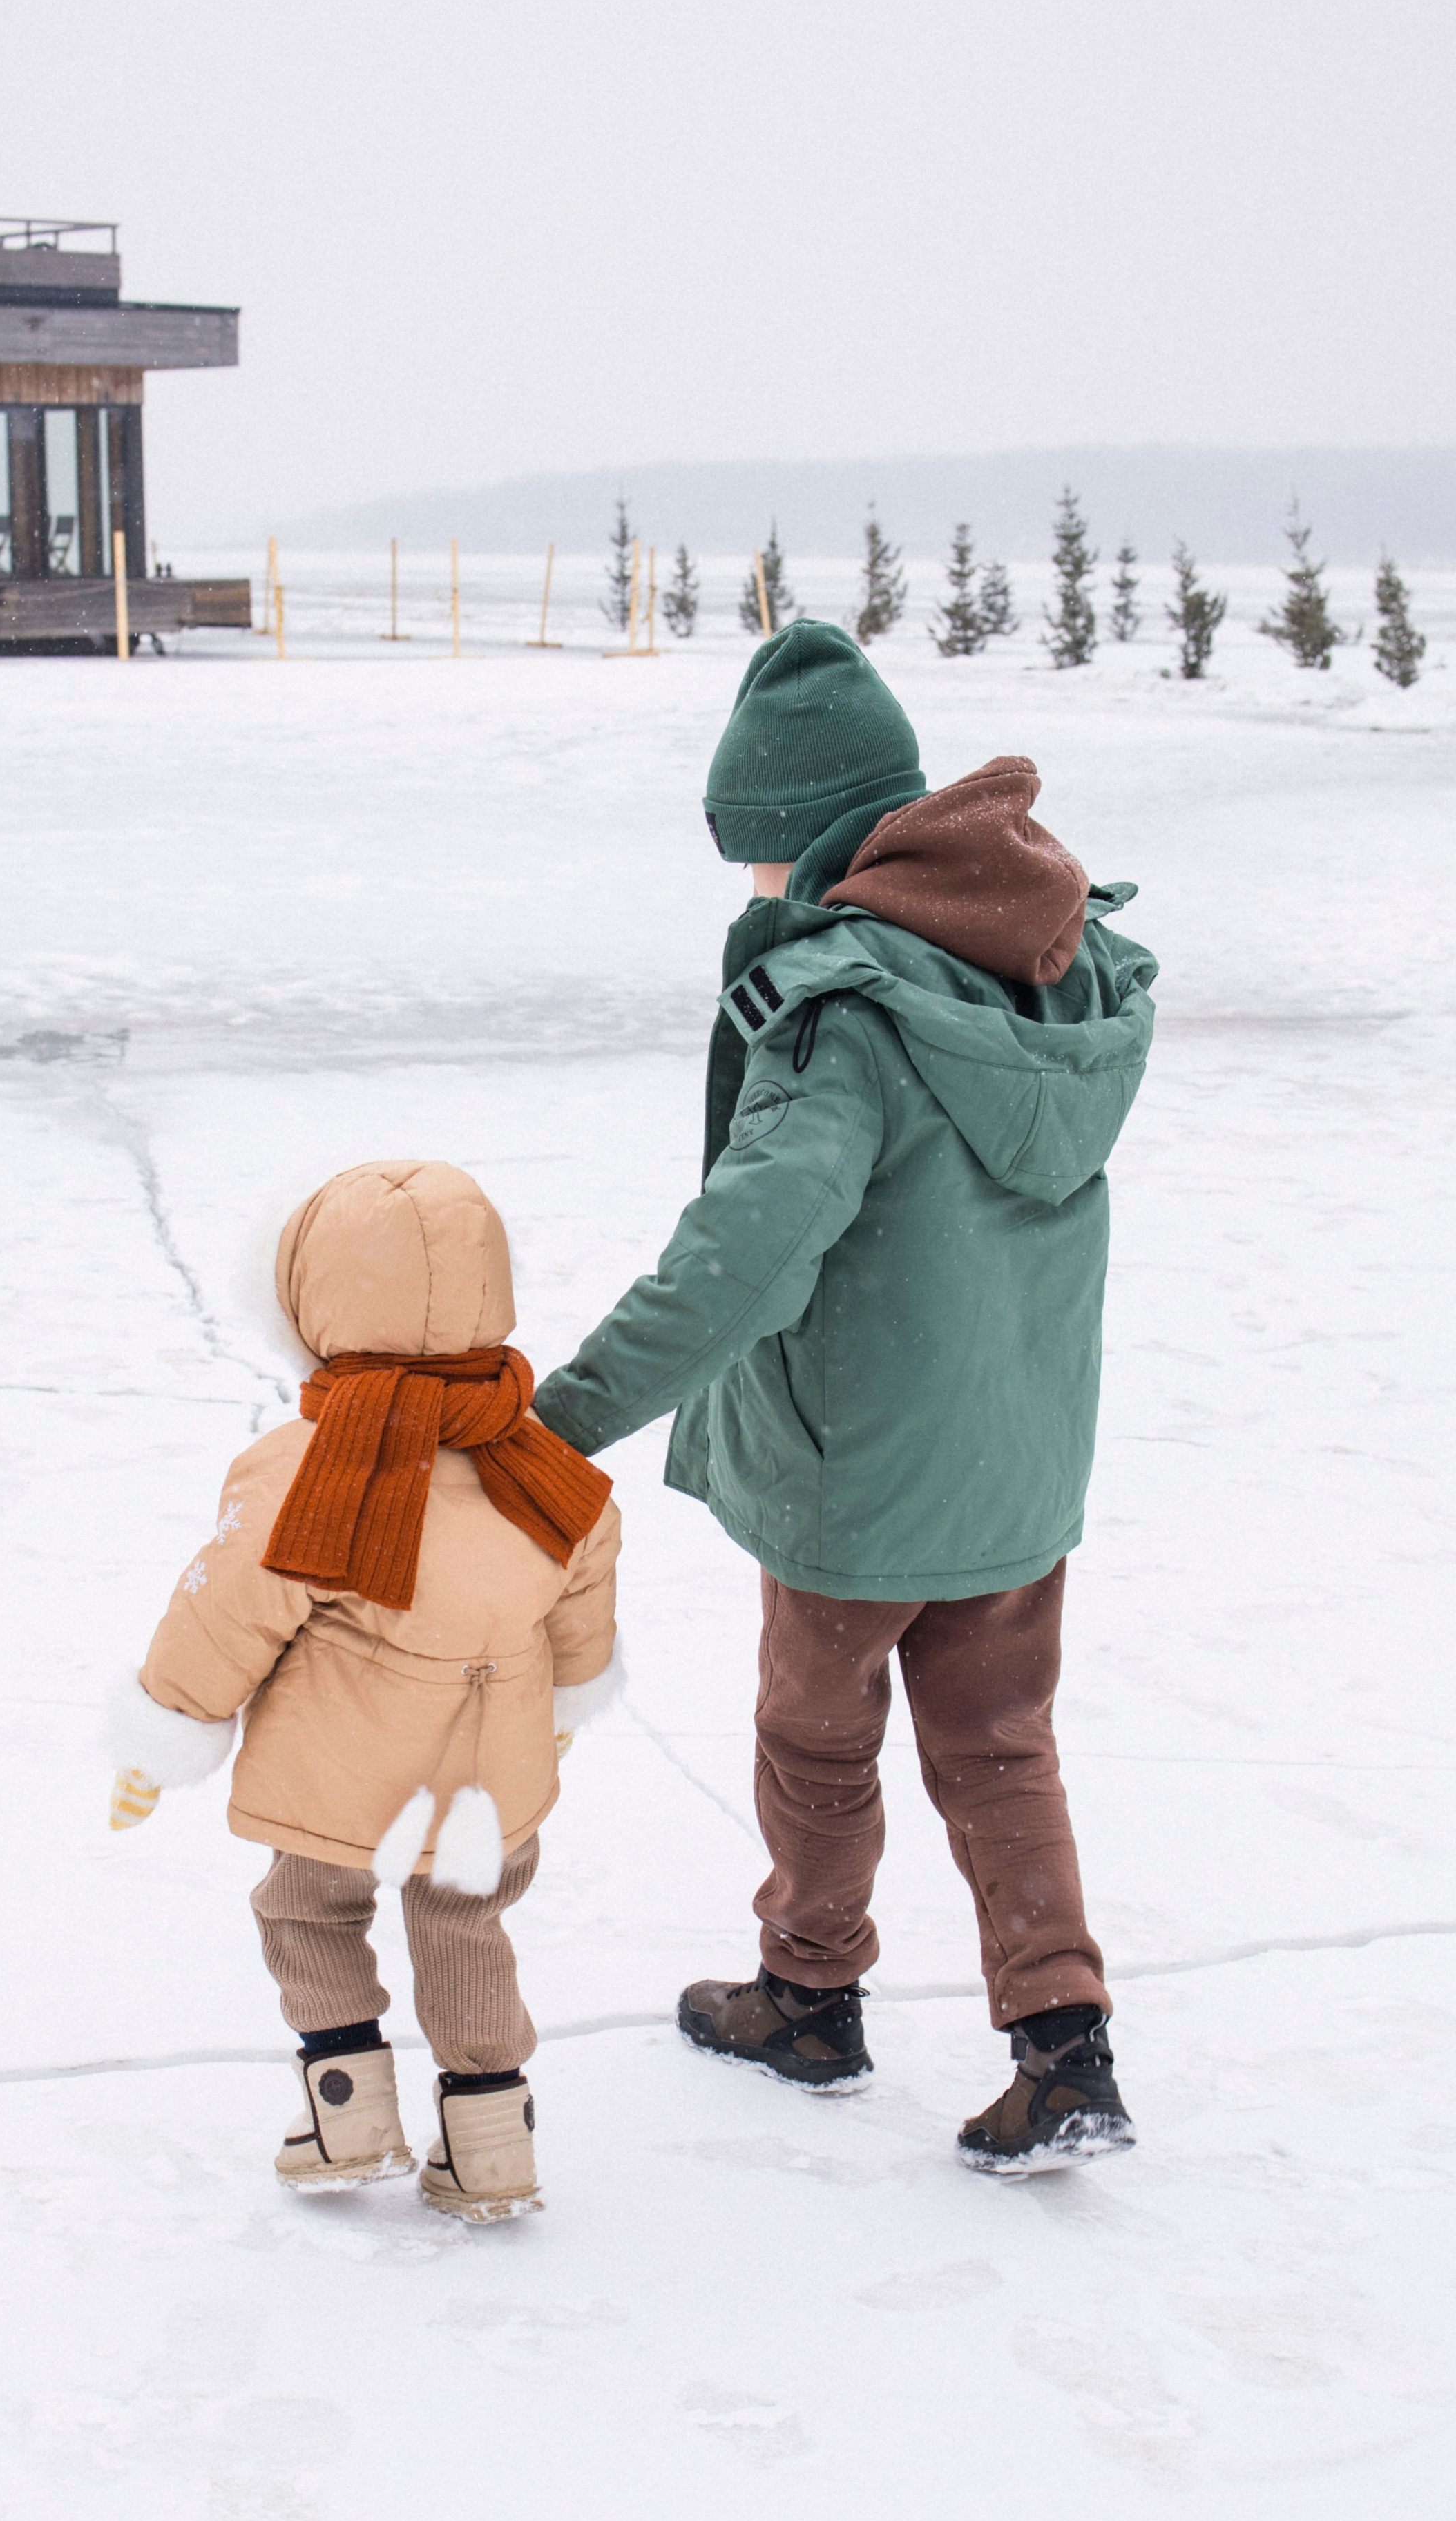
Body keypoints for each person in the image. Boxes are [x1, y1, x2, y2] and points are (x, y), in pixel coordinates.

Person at [533, 620, 1158, 2172]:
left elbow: (742, 1253)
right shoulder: (1043, 966)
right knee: (1001, 1741)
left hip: (852, 1478)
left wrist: (557, 1421)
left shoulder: (841, 1014)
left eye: (754, 860)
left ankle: (808, 2000)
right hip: (1014, 1459)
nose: (751, 894)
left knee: (816, 1744)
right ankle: (1063, 2048)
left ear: (806, 839)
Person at [107, 1160, 622, 2221]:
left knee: (307, 1908)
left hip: (340, 1773)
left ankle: (345, 2111)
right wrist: (563, 1710)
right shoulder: (543, 1470)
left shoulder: (302, 1471)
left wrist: (167, 1732)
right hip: (491, 1776)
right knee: (466, 1926)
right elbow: (582, 1607)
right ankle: (490, 2140)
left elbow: (228, 1612)